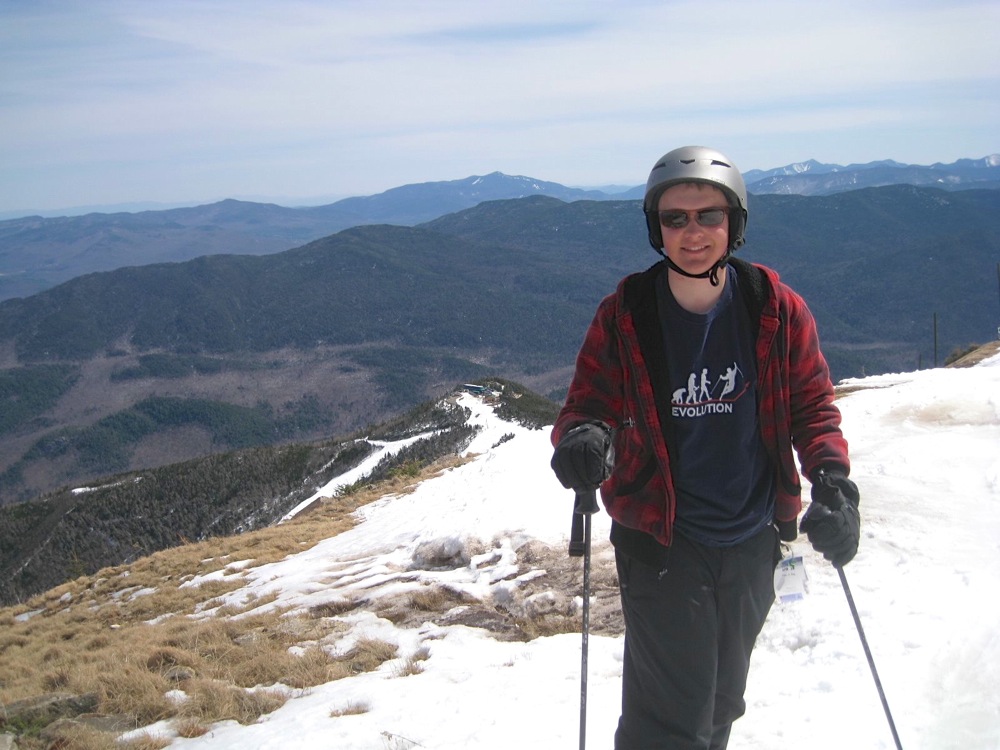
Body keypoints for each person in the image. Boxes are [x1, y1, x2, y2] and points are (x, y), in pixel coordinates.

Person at [550, 146, 861, 750]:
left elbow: (812, 406)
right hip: (664, 541)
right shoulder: (628, 314)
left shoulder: (772, 306)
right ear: (655, 227)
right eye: (675, 218)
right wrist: (584, 438)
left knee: (721, 700)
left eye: (708, 216)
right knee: (670, 721)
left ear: (733, 223)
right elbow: (588, 404)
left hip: (752, 540)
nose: (692, 232)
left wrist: (833, 483)